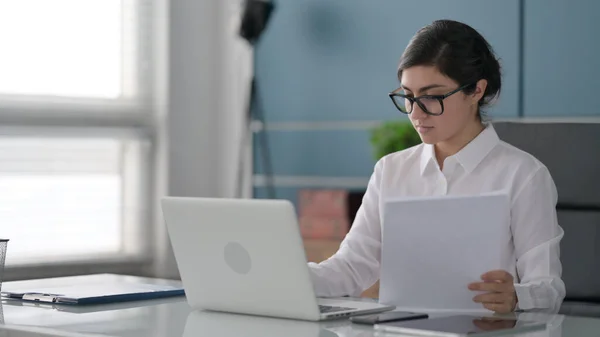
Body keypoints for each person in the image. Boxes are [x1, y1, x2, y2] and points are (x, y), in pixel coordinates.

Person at [307, 19, 565, 314]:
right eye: (408, 96)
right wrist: (288, 278)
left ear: (476, 91)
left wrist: (518, 297)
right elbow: (352, 267)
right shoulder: (391, 170)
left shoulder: (524, 175)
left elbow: (549, 287)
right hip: (400, 332)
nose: (416, 112)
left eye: (431, 96)